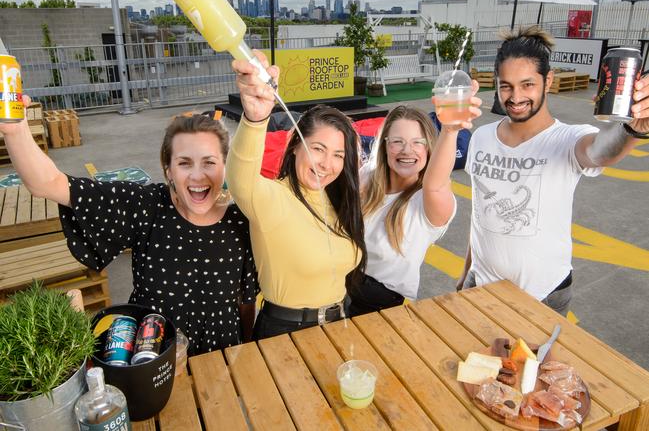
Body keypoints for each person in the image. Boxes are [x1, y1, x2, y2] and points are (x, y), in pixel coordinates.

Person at [1, 101, 257, 355]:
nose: (197, 176)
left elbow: (246, 303)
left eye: (209, 162)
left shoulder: (241, 221)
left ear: (226, 166)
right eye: (184, 163)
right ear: (168, 170)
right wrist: (15, 129)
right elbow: (49, 184)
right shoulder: (146, 206)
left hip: (220, 359)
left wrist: (245, 356)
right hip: (151, 358)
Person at [457, 26, 649, 315]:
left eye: (527, 84)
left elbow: (598, 152)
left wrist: (632, 130)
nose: (515, 96)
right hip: (480, 284)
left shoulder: (567, 138)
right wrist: (466, 273)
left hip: (543, 295)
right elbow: (480, 217)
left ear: (548, 81)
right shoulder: (482, 137)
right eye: (506, 85)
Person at [226, 52, 367, 339]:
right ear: (295, 147)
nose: (327, 164)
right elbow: (240, 179)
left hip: (341, 323)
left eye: (338, 155)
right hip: (287, 333)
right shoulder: (272, 199)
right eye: (317, 148)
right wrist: (255, 119)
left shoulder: (338, 199)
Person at [346, 100, 482, 316]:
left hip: (381, 308)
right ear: (384, 145)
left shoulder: (427, 200)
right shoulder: (368, 177)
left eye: (418, 142)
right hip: (339, 290)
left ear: (430, 148)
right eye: (397, 141)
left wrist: (450, 130)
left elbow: (434, 183)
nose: (407, 150)